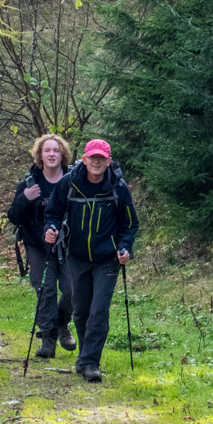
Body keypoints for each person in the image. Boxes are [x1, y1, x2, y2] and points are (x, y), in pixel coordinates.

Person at [43, 138, 138, 383]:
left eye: (101, 158)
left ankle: (90, 362)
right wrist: (51, 229)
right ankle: (85, 357)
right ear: (84, 159)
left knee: (99, 311)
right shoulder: (69, 183)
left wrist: (125, 247)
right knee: (82, 310)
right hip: (76, 257)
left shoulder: (118, 187)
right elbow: (52, 212)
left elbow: (129, 224)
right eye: (92, 157)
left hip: (107, 259)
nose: (96, 162)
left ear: (108, 161)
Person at [7, 134, 76, 359]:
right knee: (45, 289)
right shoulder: (29, 184)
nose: (52, 154)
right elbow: (14, 217)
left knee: (72, 289)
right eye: (47, 151)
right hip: (37, 245)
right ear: (40, 155)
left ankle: (61, 323)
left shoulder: (75, 180)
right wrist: (25, 198)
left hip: (68, 246)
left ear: (62, 154)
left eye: (56, 150)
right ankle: (48, 340)